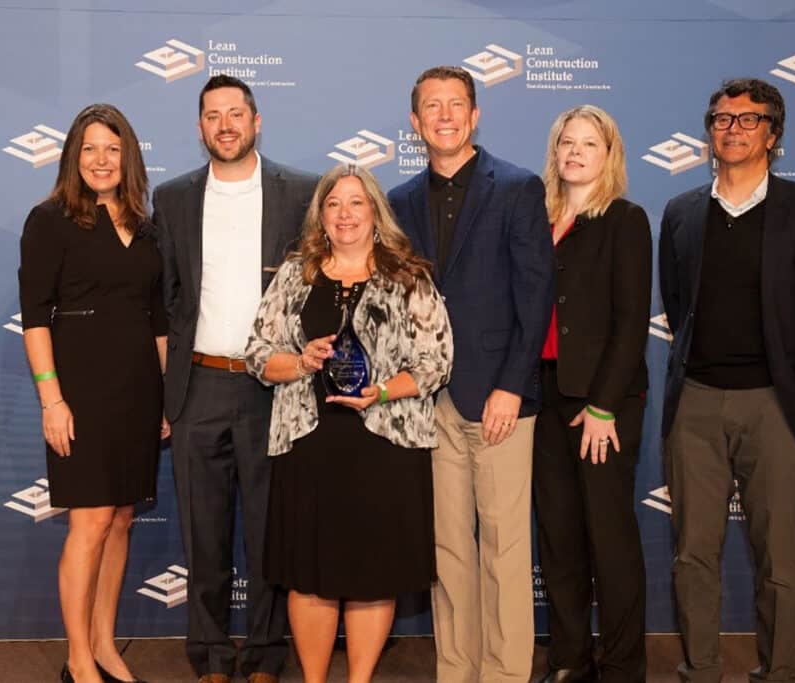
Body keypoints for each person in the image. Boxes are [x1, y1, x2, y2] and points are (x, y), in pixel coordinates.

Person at [659, 78, 795, 683]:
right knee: (693, 554)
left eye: (748, 119)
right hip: (694, 404)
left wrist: (791, 378)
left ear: (774, 133)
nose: (733, 129)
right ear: (708, 131)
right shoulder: (682, 212)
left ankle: (780, 672)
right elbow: (676, 298)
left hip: (773, 404)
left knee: (780, 561)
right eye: (721, 118)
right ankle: (702, 669)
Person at [244, 164, 452, 683]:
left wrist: (380, 390)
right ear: (321, 216)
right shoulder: (296, 274)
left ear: (375, 213)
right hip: (308, 443)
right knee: (309, 577)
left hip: (383, 443)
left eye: (356, 203)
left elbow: (436, 361)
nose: (344, 214)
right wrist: (300, 362)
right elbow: (257, 353)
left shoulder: (409, 277)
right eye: (333, 204)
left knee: (371, 575)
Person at [388, 65, 554, 682]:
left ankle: (507, 673)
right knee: (449, 549)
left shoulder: (516, 187)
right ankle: (456, 669)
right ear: (415, 121)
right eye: (432, 106)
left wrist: (512, 385)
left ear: (475, 115)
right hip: (429, 402)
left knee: (506, 549)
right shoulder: (399, 201)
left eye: (456, 104)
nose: (445, 115)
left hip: (500, 398)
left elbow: (535, 294)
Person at [152, 75, 317, 683]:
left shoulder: (300, 193)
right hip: (197, 386)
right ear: (200, 128)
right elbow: (165, 302)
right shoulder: (171, 201)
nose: (225, 124)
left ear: (256, 121)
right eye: (212, 115)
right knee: (203, 536)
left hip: (272, 387)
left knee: (271, 531)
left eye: (235, 113)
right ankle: (213, 656)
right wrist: (166, 392)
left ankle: (268, 655)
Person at [19, 103, 166, 683]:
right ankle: (78, 659)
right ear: (72, 159)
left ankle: (105, 645)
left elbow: (158, 320)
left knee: (122, 517)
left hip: (137, 390)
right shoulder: (50, 220)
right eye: (89, 149)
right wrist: (52, 400)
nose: (101, 160)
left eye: (112, 148)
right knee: (91, 520)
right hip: (80, 390)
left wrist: (164, 400)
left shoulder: (145, 226)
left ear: (127, 156)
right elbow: (35, 318)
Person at [532, 105, 651, 683]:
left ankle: (624, 666)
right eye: (567, 143)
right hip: (545, 394)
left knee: (609, 538)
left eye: (589, 144)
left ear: (610, 156)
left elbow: (632, 323)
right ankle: (569, 659)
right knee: (559, 538)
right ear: (555, 154)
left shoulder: (625, 220)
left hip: (602, 402)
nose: (575, 152)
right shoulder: (538, 218)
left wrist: (604, 406)